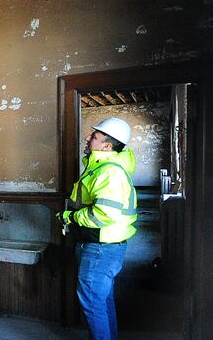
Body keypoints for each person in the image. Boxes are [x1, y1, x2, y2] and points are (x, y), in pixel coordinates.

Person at [57, 117, 138, 340]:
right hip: (101, 246)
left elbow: (104, 214)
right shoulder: (101, 167)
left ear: (107, 146)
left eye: (94, 136)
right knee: (101, 301)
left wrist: (71, 216)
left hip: (101, 248)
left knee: (93, 303)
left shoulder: (109, 172)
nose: (87, 138)